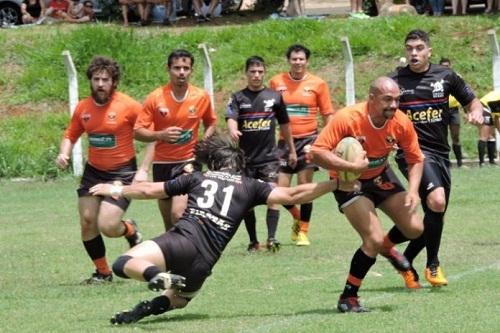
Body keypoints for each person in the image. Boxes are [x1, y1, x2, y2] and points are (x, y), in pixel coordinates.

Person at [89, 132, 360, 324]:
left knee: (124, 262)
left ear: (214, 162)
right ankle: (145, 308)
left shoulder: (197, 177)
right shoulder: (251, 186)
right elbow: (292, 196)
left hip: (182, 240)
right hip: (203, 263)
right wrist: (334, 184)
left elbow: (149, 190)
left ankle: (154, 275)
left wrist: (116, 188)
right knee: (181, 299)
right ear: (238, 165)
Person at [311, 76, 425, 313]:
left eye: (396, 100)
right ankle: (348, 297)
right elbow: (317, 152)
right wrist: (351, 168)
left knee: (415, 228)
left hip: (380, 175)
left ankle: (387, 247)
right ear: (371, 98)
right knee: (371, 239)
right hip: (348, 181)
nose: (393, 105)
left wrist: (413, 190)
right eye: (387, 100)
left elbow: (415, 159)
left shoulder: (401, 122)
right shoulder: (348, 118)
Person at [389, 29, 484, 288]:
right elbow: (375, 111)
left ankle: (403, 258)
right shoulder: (394, 81)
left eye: (419, 48)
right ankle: (433, 264)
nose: (414, 53)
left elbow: (473, 102)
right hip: (412, 154)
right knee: (437, 200)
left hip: (441, 153)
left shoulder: (446, 76)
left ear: (429, 50)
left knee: (435, 212)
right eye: (409, 48)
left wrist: (475, 114)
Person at [55, 56, 144, 284]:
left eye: (106, 79)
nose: (101, 84)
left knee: (108, 225)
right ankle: (103, 272)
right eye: (96, 79)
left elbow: (150, 132)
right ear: (91, 81)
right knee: (87, 221)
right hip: (94, 172)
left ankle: (129, 230)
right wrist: (64, 153)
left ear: (114, 82)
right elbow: (70, 134)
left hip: (122, 173)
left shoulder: (129, 106)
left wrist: (145, 167)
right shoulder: (83, 108)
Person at [134, 49, 217, 231]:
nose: (181, 72)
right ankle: (175, 253)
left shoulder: (201, 96)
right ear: (168, 69)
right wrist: (159, 135)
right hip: (162, 164)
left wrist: (203, 144)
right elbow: (137, 131)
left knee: (178, 214)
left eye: (186, 68)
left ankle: (191, 250)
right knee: (168, 223)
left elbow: (211, 122)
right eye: (177, 68)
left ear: (191, 71)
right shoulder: (155, 97)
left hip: (187, 162)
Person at [226, 55, 297, 252]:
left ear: (264, 73)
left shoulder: (274, 97)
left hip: (269, 159)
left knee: (272, 196)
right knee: (247, 202)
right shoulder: (238, 97)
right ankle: (253, 241)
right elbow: (231, 117)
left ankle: (272, 239)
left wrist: (291, 149)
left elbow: (285, 125)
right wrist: (232, 129)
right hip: (245, 160)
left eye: (260, 72)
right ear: (246, 73)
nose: (256, 75)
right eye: (252, 72)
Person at [270, 44, 335, 246]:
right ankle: (296, 216)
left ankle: (302, 231)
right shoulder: (276, 82)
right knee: (279, 191)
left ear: (307, 61)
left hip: (309, 141)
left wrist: (328, 142)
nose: (298, 62)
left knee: (305, 187)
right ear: (288, 60)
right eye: (294, 59)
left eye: (301, 59)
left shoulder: (318, 84)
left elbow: (327, 115)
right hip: (284, 143)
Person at [439, 58, 465, 168]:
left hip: (454, 110)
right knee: (442, 137)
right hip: (441, 110)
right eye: (443, 66)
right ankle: (445, 162)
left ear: (450, 66)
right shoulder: (436, 78)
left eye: (447, 66)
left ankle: (460, 162)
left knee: (455, 136)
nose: (445, 68)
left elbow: (464, 94)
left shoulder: (456, 77)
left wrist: (467, 110)